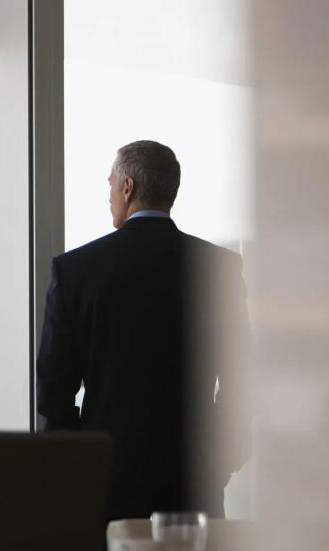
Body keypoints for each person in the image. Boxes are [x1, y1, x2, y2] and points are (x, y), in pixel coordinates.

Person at [36, 140, 250, 520]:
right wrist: (224, 458)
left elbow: (54, 387)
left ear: (128, 187)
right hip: (193, 475)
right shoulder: (219, 268)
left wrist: (77, 463)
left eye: (110, 184)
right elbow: (242, 377)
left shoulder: (76, 271)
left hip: (108, 479)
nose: (109, 196)